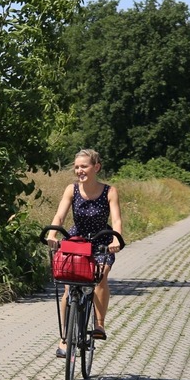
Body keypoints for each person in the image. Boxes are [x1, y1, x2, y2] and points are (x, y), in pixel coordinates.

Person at [45, 149, 123, 357]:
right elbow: (60, 215)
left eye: (84, 166)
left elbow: (116, 220)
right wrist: (52, 234)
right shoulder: (72, 190)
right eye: (77, 167)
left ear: (96, 167)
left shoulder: (109, 191)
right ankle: (64, 338)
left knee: (100, 278)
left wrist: (116, 238)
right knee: (68, 286)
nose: (80, 170)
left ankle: (99, 324)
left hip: (102, 240)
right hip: (77, 239)